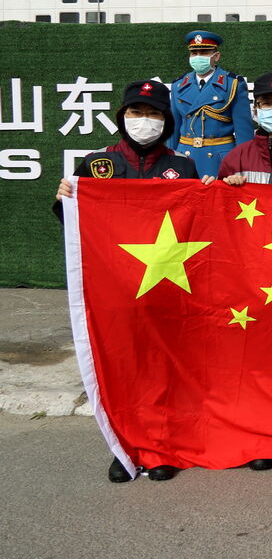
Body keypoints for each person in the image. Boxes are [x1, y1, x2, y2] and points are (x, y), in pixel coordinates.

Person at [54, 79, 198, 484]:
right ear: (122, 116)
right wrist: (65, 198)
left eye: (153, 114)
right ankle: (126, 448)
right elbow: (74, 226)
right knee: (121, 369)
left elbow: (199, 222)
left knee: (165, 370)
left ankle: (163, 447)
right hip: (115, 289)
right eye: (137, 112)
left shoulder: (183, 167)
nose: (144, 120)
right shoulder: (97, 164)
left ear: (166, 121)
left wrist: (206, 193)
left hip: (167, 288)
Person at [168, 31, 254, 178]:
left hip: (219, 158)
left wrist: (243, 166)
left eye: (204, 52)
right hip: (184, 155)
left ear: (216, 56)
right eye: (194, 53)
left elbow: (243, 132)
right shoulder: (179, 85)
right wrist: (170, 159)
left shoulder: (232, 84)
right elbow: (173, 129)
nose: (198, 57)